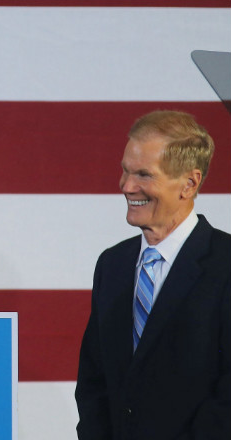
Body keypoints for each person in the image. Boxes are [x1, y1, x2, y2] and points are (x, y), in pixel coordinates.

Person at [75, 110, 230, 439]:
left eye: (144, 175)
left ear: (189, 183)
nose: (127, 186)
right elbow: (94, 381)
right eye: (125, 171)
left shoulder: (225, 265)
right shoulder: (113, 265)